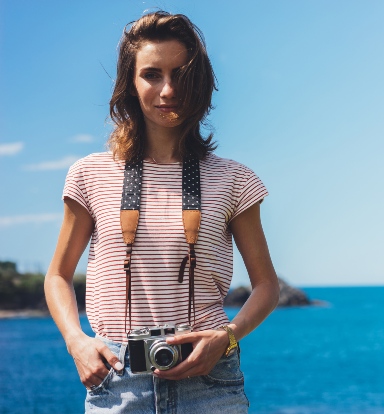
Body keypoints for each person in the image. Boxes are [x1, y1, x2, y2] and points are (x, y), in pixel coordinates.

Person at [44, 11, 280, 413]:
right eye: (152, 74)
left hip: (209, 379)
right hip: (116, 378)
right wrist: (76, 341)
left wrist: (226, 336)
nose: (168, 90)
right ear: (130, 83)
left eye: (181, 75)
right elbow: (57, 276)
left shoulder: (235, 180)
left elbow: (267, 286)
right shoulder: (89, 174)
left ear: (199, 82)